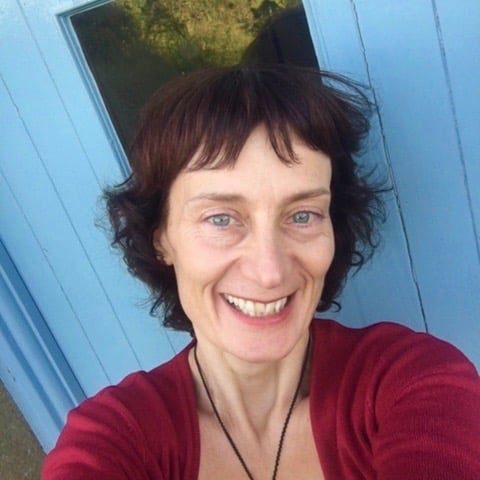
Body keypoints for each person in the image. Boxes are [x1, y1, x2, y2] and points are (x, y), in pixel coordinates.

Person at [42, 65, 480, 480]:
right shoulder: (113, 438)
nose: (270, 271)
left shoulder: (413, 380)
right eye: (221, 219)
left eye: (303, 215)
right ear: (161, 238)